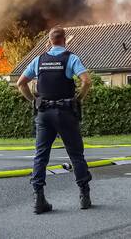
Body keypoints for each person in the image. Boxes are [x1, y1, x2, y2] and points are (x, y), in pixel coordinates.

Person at [16, 27, 93, 214]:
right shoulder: (71, 58)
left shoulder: (39, 60)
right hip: (65, 112)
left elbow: (21, 83)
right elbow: (87, 81)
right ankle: (84, 195)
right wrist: (78, 98)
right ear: (64, 41)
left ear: (49, 42)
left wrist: (34, 100)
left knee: (41, 155)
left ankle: (38, 199)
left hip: (44, 114)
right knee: (76, 154)